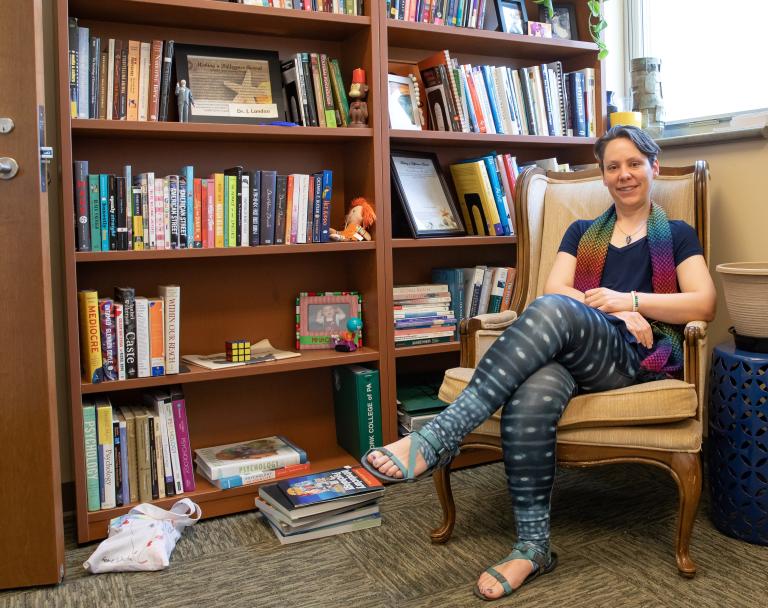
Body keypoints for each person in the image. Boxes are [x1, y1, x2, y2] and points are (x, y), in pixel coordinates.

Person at [361, 125, 716, 601]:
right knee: (533, 391)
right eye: (613, 166)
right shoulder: (581, 232)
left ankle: (442, 433)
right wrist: (614, 309)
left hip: (635, 357)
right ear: (603, 175)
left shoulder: (676, 235)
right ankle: (533, 548)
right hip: (578, 349)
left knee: (552, 309)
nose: (624, 175)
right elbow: (555, 289)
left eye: (634, 163)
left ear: (654, 167)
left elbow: (703, 303)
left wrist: (633, 301)